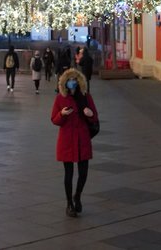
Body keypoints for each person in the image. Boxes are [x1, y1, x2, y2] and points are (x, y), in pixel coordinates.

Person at [51, 68, 98, 217]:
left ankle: (77, 196)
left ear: (79, 82)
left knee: (83, 173)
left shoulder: (86, 96)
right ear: (64, 82)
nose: (72, 82)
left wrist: (90, 114)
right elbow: (54, 119)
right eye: (69, 80)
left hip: (82, 139)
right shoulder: (60, 98)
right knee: (69, 174)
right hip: (67, 140)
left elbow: (95, 117)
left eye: (74, 80)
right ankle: (69, 204)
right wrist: (62, 114)